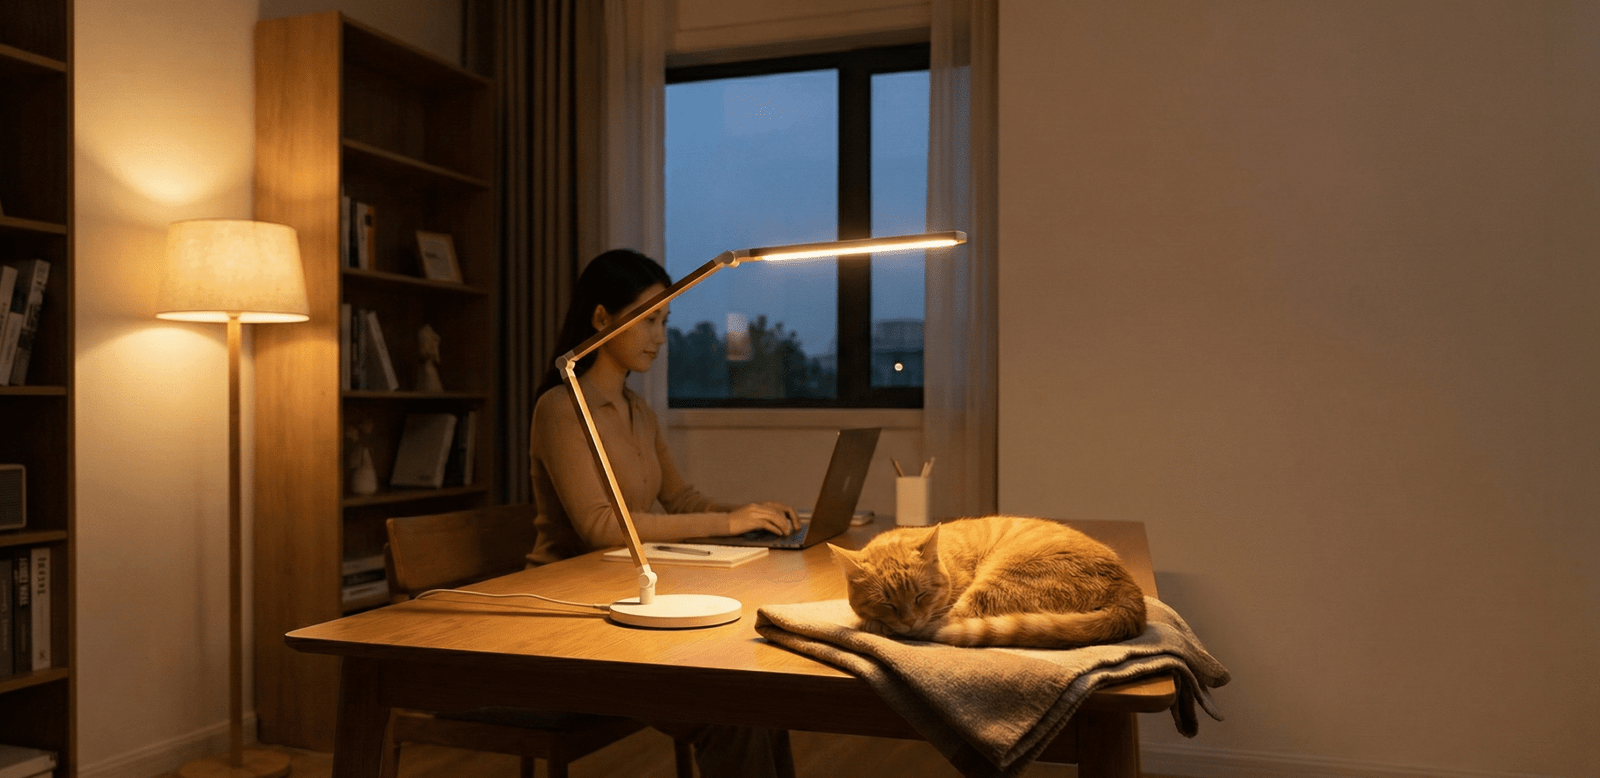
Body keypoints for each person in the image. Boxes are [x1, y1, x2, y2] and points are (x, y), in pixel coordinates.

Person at [527, 248, 798, 778]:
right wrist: (728, 525)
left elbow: (682, 501)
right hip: (573, 619)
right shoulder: (561, 408)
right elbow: (601, 529)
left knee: (761, 692)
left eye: (665, 321)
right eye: (648, 318)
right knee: (734, 714)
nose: (659, 335)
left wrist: (749, 512)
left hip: (633, 601)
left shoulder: (638, 410)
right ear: (601, 318)